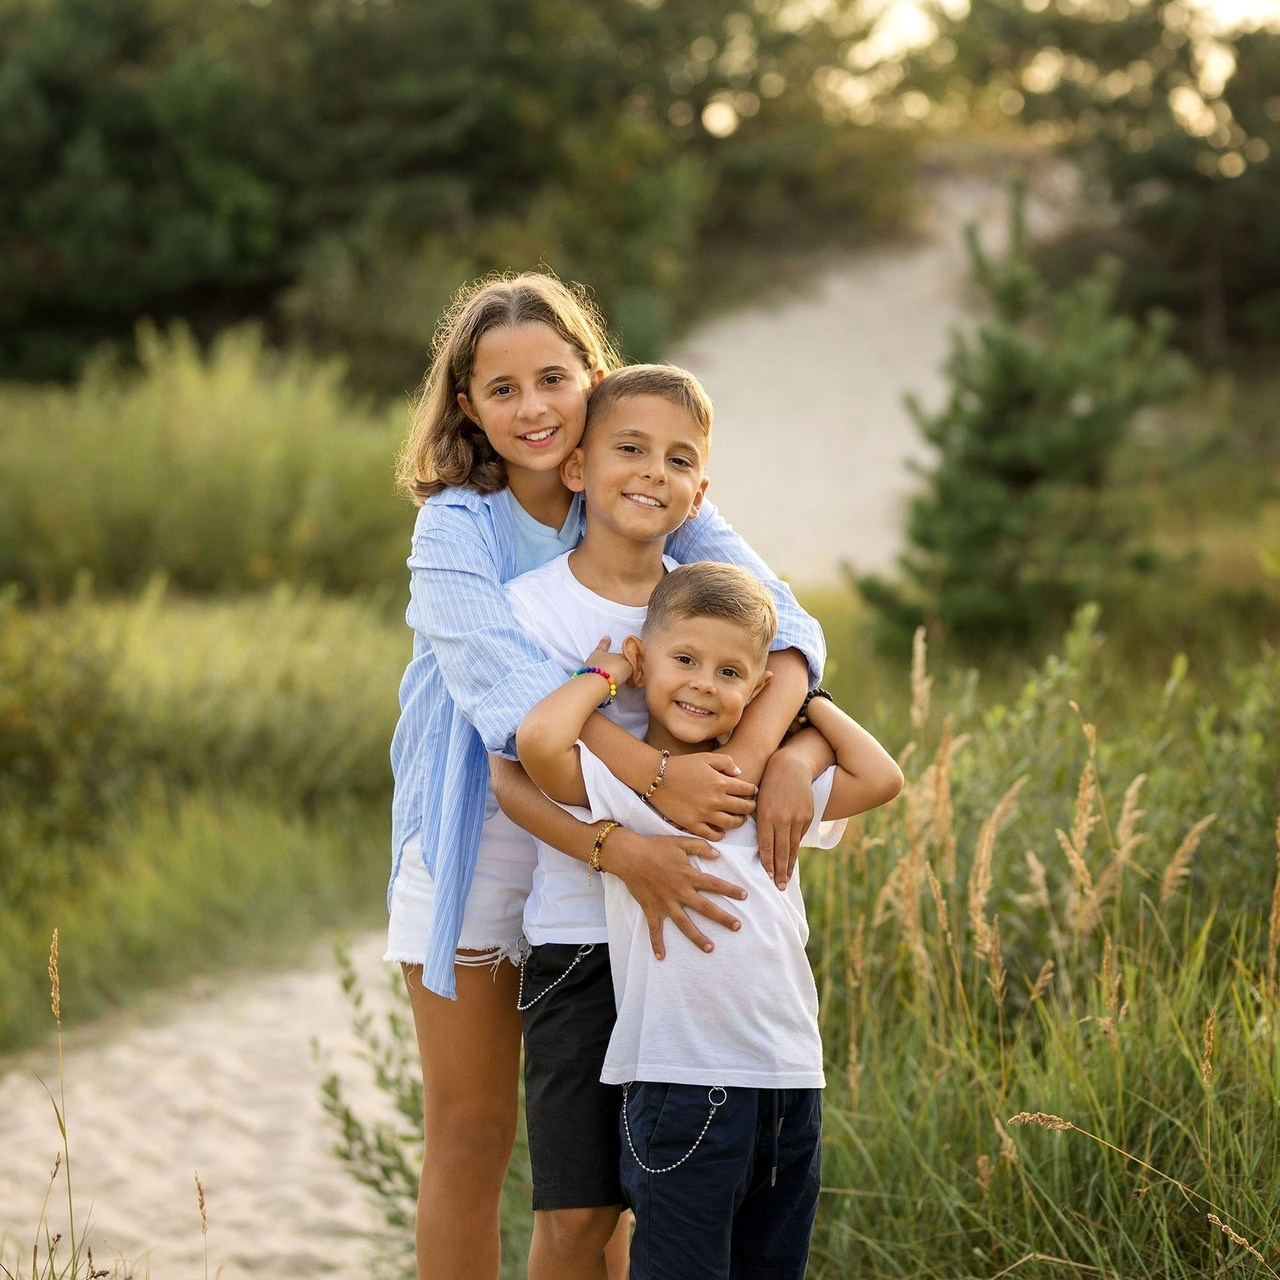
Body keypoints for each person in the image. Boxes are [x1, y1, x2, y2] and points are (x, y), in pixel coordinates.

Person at [386, 275, 826, 1280]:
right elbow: (512, 700)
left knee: (602, 1165)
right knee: (470, 1126)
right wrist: (660, 780)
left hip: (596, 868)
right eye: (502, 390)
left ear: (592, 379)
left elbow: (787, 628)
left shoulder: (648, 497)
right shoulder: (457, 526)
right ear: (466, 405)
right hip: (480, 835)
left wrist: (767, 753)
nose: (532, 408)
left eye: (552, 379)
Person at [498, 364, 831, 1280]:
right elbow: (513, 770)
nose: (651, 472)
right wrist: (624, 848)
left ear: (699, 491)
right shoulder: (533, 609)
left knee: (669, 1209)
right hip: (579, 928)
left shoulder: (709, 595)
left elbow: (797, 674)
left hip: (698, 965)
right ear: (578, 467)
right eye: (629, 449)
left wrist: (788, 759)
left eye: (676, 458)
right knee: (578, 1215)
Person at [516, 561, 905, 1280]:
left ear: (757, 691)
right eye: (685, 660)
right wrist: (603, 676)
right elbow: (540, 741)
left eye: (730, 673)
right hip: (681, 1080)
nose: (702, 682)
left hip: (790, 1081)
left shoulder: (762, 785)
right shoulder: (636, 788)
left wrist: (799, 727)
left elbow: (881, 776)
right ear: (648, 663)